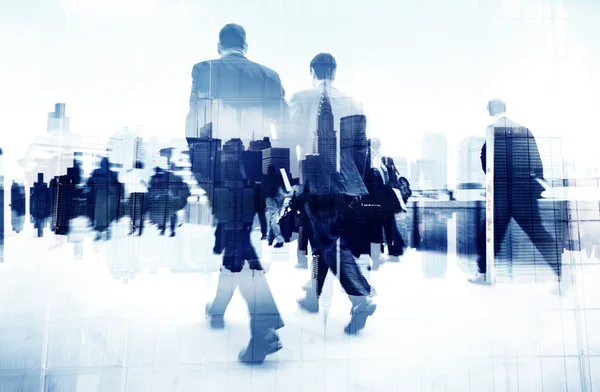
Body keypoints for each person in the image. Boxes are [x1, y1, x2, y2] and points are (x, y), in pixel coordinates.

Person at [185, 23, 287, 364]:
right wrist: (277, 176)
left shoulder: (205, 70)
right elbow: (284, 129)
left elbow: (195, 121)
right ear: (246, 44)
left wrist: (203, 174)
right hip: (258, 166)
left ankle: (264, 325)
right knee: (237, 237)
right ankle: (218, 307)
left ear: (219, 45)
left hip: (223, 164)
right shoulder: (269, 76)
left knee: (237, 240)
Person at [290, 53, 376, 334]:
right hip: (346, 180)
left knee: (327, 240)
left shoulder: (301, 98)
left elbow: (290, 140)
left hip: (315, 178)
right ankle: (314, 295)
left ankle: (360, 296)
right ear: (335, 72)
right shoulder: (354, 102)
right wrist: (356, 182)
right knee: (320, 238)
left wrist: (290, 179)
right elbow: (361, 146)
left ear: (311, 71)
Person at [472, 99, 565, 290]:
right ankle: (561, 271)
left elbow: (486, 162)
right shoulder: (524, 130)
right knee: (537, 233)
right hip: (524, 192)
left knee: (488, 235)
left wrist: (493, 174)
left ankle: (484, 273)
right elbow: (536, 161)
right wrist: (534, 182)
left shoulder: (491, 130)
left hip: (501, 195)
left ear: (490, 111)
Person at [123, 161, 148, 236]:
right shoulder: (144, 173)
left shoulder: (130, 173)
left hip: (133, 194)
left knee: (132, 213)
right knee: (142, 213)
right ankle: (140, 231)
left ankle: (132, 229)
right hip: (143, 194)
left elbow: (126, 184)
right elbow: (147, 183)